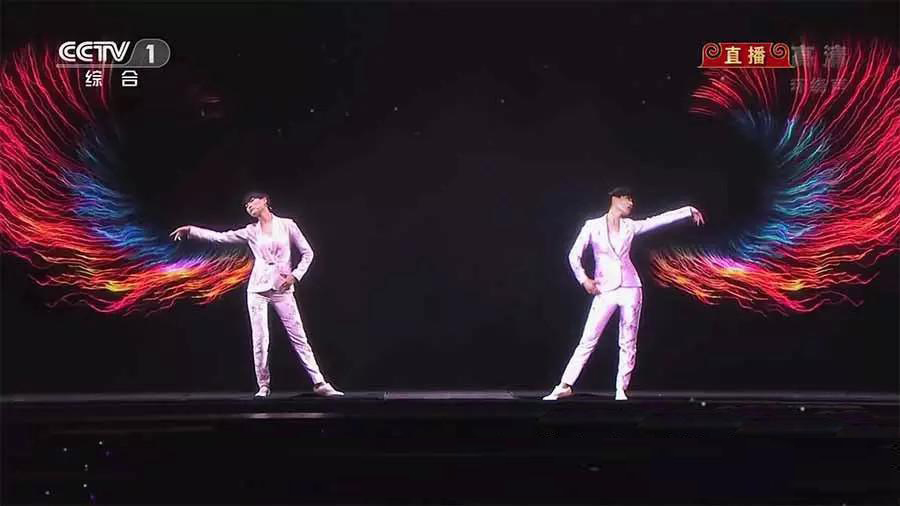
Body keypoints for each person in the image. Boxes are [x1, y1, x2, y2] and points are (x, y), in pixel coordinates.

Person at [170, 192, 343, 398]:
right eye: (246, 205)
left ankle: (319, 383)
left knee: (299, 337)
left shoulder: (287, 225)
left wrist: (295, 275)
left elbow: (308, 253)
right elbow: (220, 237)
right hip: (257, 289)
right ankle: (263, 385)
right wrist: (191, 231)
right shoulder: (250, 231)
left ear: (265, 201)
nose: (249, 206)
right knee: (260, 340)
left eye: (252, 201)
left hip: (282, 288)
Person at [543, 187, 705, 401]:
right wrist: (584, 279)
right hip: (605, 288)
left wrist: (687, 210)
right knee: (588, 338)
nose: (631, 203)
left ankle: (621, 388)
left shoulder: (630, 226)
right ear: (615, 199)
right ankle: (565, 385)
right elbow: (574, 255)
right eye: (627, 198)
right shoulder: (592, 226)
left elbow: (657, 220)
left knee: (628, 340)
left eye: (631, 199)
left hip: (631, 287)